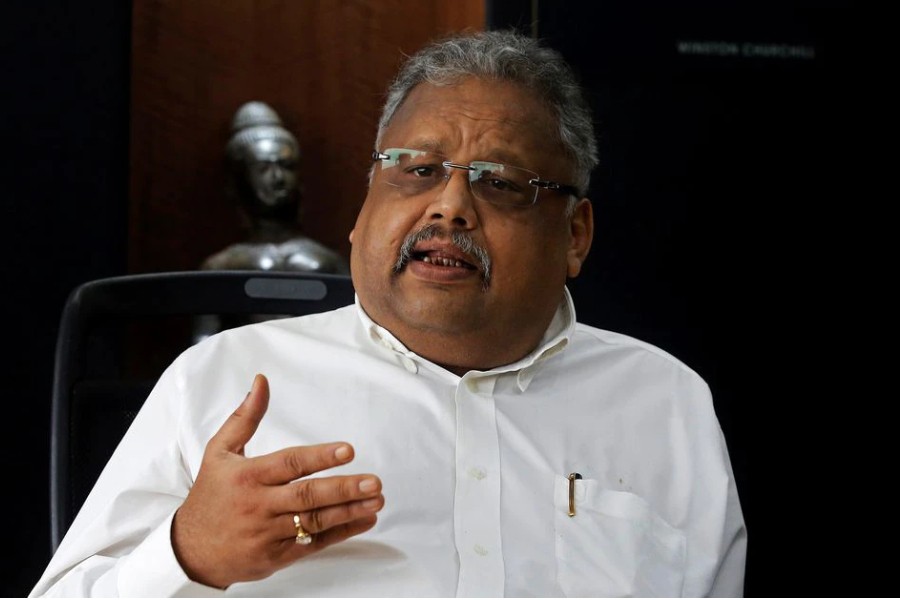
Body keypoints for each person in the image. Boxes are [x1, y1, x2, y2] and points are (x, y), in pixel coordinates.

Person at [31, 30, 746, 597]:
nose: (450, 206)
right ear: (364, 204)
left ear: (576, 236)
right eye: (417, 169)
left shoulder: (664, 404)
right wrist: (187, 554)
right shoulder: (221, 380)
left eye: (500, 182)